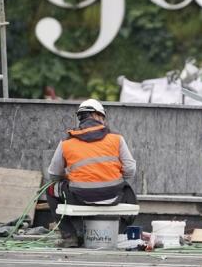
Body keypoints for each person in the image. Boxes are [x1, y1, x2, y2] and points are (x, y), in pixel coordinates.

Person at [46, 99, 137, 247]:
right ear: (97, 116)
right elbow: (130, 170)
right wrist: (113, 177)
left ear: (80, 118)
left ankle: (70, 236)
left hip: (79, 197)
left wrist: (71, 177)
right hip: (113, 196)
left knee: (50, 190)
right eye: (103, 117)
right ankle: (118, 234)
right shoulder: (117, 139)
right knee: (128, 191)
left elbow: (54, 175)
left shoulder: (66, 143)